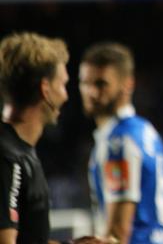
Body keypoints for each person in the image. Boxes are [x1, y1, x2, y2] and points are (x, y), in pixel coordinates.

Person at [79, 42, 163, 244]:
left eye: (101, 84)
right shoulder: (146, 131)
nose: (91, 92)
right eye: (85, 83)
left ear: (128, 84)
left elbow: (117, 233)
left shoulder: (118, 142)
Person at [0, 32, 105, 244]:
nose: (66, 95)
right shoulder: (7, 157)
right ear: (45, 89)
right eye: (63, 84)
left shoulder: (18, 151)